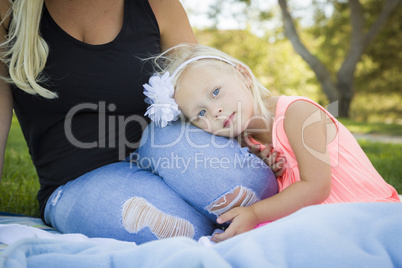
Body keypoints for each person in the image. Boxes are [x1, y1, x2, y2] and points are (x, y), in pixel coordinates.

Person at [0, 0, 280, 244]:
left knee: (248, 185)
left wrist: (256, 142)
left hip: (162, 143)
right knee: (177, 230)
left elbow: (205, 89)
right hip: (78, 177)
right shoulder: (8, 10)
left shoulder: (158, 4)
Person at [142, 43, 400, 242]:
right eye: (200, 114)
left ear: (242, 75)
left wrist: (255, 214)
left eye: (216, 92)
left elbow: (317, 186)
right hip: (313, 217)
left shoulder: (298, 113)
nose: (215, 111)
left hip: (361, 207)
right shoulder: (247, 141)